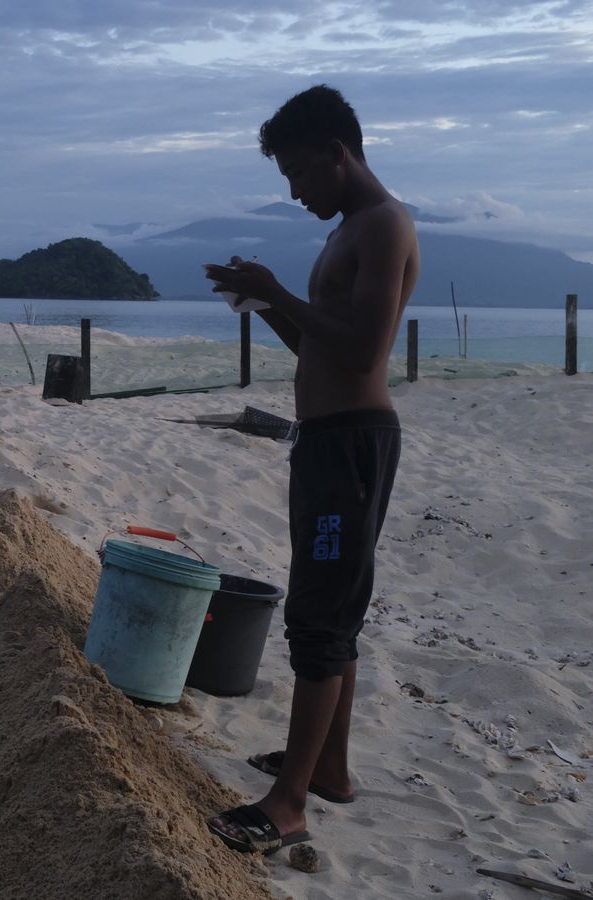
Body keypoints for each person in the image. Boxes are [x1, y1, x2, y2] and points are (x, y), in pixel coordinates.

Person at [201, 84, 419, 853]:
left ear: (339, 152)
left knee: (319, 617)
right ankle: (329, 768)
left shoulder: (385, 226)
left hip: (354, 441)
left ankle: (288, 803)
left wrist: (278, 290)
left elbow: (364, 351)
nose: (293, 193)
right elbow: (322, 350)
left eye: (298, 174)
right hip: (327, 438)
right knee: (330, 609)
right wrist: (264, 305)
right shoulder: (348, 230)